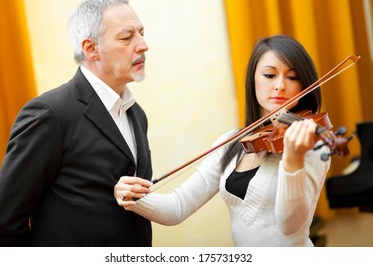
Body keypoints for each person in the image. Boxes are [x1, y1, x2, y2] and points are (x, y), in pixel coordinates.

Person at [114, 35, 332, 246]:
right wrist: (132, 198)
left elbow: (291, 227)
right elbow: (178, 207)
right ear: (253, 79)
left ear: (303, 86)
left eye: (292, 77)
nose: (280, 85)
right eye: (269, 75)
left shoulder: (312, 144)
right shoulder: (232, 142)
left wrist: (294, 160)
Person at [0, 0, 153, 247]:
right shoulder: (49, 114)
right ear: (91, 49)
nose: (142, 45)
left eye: (141, 33)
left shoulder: (136, 114)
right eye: (127, 37)